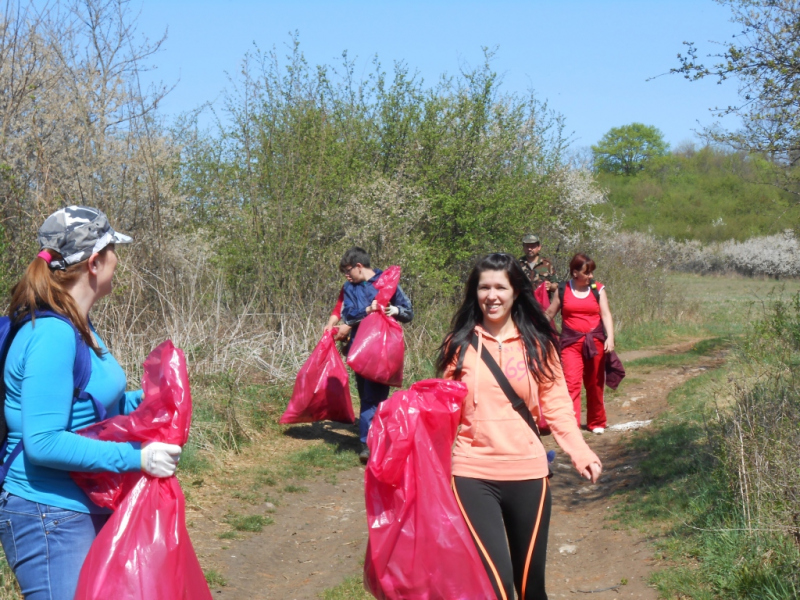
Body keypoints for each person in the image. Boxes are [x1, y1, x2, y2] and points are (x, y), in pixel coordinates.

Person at [0, 206, 182, 600]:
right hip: (47, 512)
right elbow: (44, 440)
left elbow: (91, 407)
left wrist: (152, 402)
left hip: (87, 499)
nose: (119, 261)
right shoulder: (51, 334)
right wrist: (138, 458)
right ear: (95, 262)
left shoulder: (81, 323)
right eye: (114, 251)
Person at [436, 252, 602, 600]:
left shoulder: (538, 344)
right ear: (474, 292)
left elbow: (557, 405)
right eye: (484, 287)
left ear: (515, 293)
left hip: (528, 474)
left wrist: (580, 451)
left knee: (530, 588)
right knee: (495, 583)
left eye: (500, 287)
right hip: (472, 472)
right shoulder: (460, 344)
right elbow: (441, 410)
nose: (491, 296)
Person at [339, 247, 412, 464]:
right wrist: (368, 312)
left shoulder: (387, 282)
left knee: (374, 397)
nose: (346, 275)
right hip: (359, 348)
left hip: (383, 349)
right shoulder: (349, 287)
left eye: (348, 270)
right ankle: (374, 439)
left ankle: (368, 445)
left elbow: (408, 312)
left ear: (359, 266)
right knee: (366, 396)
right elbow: (348, 315)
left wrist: (394, 311)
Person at [544, 253, 615, 434]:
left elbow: (605, 314)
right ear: (575, 272)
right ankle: (571, 424)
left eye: (591, 272)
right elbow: (550, 313)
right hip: (570, 343)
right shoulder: (563, 289)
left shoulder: (597, 289)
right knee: (571, 383)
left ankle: (597, 422)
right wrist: (532, 328)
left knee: (595, 383)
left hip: (595, 342)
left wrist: (610, 338)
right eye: (587, 272)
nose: (591, 275)